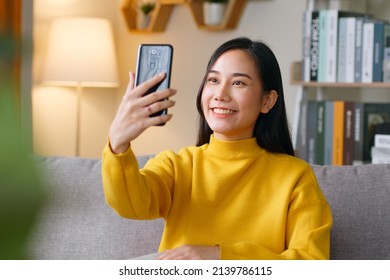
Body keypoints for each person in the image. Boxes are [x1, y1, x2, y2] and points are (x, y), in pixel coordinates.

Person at [102, 37, 332, 260]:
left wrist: (220, 256)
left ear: (267, 101)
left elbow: (311, 261)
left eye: (238, 83)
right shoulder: (177, 166)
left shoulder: (297, 178)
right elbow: (130, 205)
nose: (220, 95)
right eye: (213, 80)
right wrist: (118, 144)